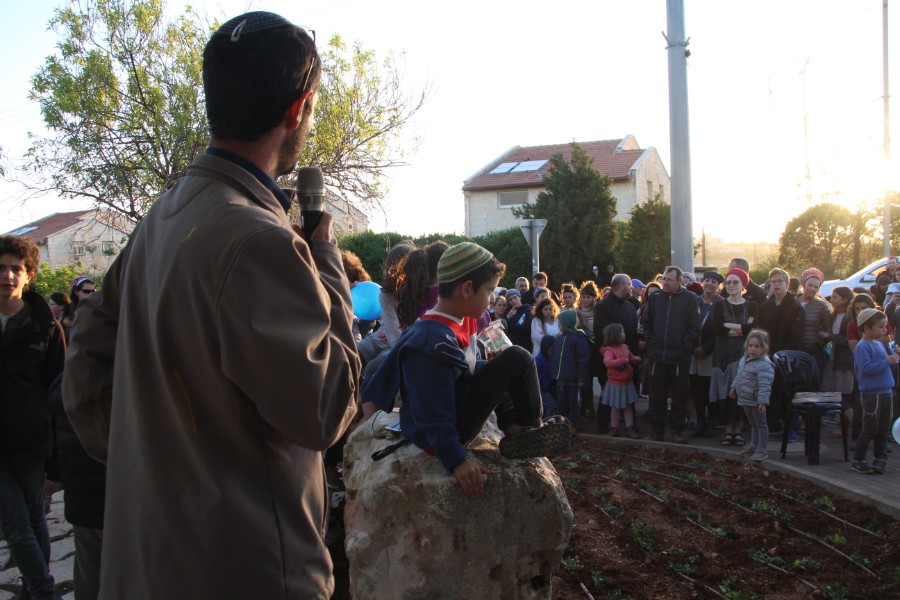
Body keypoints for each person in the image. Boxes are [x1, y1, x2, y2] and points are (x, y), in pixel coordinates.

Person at [62, 12, 360, 598]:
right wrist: (325, 259)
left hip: (152, 560)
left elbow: (84, 369)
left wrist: (153, 466)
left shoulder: (162, 216)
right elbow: (326, 410)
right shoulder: (260, 242)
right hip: (245, 571)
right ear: (298, 108)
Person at [361, 243, 575, 497]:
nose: (492, 299)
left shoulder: (458, 319)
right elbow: (431, 410)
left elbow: (468, 369)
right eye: (488, 291)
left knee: (497, 363)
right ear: (466, 289)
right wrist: (456, 459)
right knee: (519, 357)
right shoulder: (430, 341)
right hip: (444, 434)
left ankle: (514, 427)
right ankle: (531, 428)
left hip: (456, 404)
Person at [0, 235, 66, 600]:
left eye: (16, 269)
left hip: (30, 438)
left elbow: (56, 384)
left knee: (34, 516)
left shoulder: (46, 327)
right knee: (15, 522)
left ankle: (30, 589)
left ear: (29, 275)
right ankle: (44, 591)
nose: (8, 275)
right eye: (2, 268)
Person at [640, 267, 701, 443]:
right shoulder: (655, 298)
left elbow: (694, 327)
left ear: (680, 281)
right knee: (656, 397)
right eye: (664, 279)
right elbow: (646, 321)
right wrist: (652, 342)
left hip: (679, 358)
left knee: (679, 397)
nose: (665, 282)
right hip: (657, 357)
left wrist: (683, 346)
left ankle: (677, 431)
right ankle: (657, 431)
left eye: (669, 279)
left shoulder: (689, 299)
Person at [712, 268, 759, 447]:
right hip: (722, 355)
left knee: (741, 392)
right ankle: (727, 431)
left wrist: (729, 327)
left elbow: (754, 329)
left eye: (735, 282)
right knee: (724, 391)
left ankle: (738, 431)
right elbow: (717, 328)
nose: (731, 285)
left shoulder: (752, 305)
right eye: (729, 282)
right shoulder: (719, 304)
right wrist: (741, 328)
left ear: (743, 285)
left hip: (743, 354)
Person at [851, 308, 898, 474]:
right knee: (870, 427)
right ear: (866, 328)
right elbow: (866, 369)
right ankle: (859, 459)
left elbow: (886, 364)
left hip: (885, 391)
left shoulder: (879, 344)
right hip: (872, 394)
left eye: (885, 327)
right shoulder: (862, 346)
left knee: (884, 428)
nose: (884, 330)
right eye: (880, 327)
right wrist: (887, 361)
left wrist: (894, 357)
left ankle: (880, 458)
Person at [594, 274, 640, 432]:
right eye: (629, 284)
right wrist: (608, 355)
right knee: (608, 395)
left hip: (628, 360)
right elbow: (599, 334)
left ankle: (630, 426)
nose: (631, 287)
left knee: (629, 396)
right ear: (621, 285)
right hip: (610, 363)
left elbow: (632, 333)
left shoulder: (630, 306)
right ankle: (603, 425)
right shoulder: (603, 306)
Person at [729, 330, 775, 461]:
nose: (753, 349)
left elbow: (765, 385)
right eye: (750, 346)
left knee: (761, 424)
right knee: (753, 424)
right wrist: (734, 387)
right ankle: (754, 446)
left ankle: (762, 449)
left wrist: (763, 402)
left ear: (764, 348)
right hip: (745, 399)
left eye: (757, 346)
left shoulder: (764, 365)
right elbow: (739, 375)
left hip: (756, 401)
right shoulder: (744, 360)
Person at [690, 271, 723, 438]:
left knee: (710, 387)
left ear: (718, 285)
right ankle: (700, 419)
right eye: (707, 280)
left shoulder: (721, 304)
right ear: (702, 283)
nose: (710, 284)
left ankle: (711, 420)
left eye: (714, 281)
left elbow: (720, 331)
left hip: (710, 352)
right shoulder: (694, 301)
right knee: (697, 388)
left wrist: (707, 348)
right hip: (693, 352)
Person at [549, 310, 591, 429]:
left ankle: (572, 424)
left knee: (573, 402)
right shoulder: (560, 339)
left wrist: (581, 376)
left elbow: (583, 359)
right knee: (562, 402)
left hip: (572, 378)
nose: (559, 326)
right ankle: (563, 423)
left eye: (561, 324)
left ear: (568, 323)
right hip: (560, 377)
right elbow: (555, 358)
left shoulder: (578, 338)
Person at [601, 323, 641, 438]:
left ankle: (630, 428)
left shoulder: (625, 347)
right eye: (622, 332)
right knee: (615, 407)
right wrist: (623, 360)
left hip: (627, 382)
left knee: (628, 406)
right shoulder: (608, 350)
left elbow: (630, 356)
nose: (624, 334)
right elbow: (608, 363)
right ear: (615, 335)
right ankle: (614, 428)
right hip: (616, 384)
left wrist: (635, 359)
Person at [796, 267, 833, 378]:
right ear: (803, 284)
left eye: (816, 287)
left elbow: (828, 330)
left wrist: (820, 341)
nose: (812, 289)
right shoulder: (793, 302)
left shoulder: (822, 306)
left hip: (814, 352)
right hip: (794, 351)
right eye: (810, 285)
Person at [535, 334, 558, 416]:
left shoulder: (550, 358)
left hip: (547, 389)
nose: (553, 349)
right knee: (552, 404)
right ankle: (546, 423)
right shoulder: (540, 359)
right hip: (541, 390)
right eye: (551, 347)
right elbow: (535, 375)